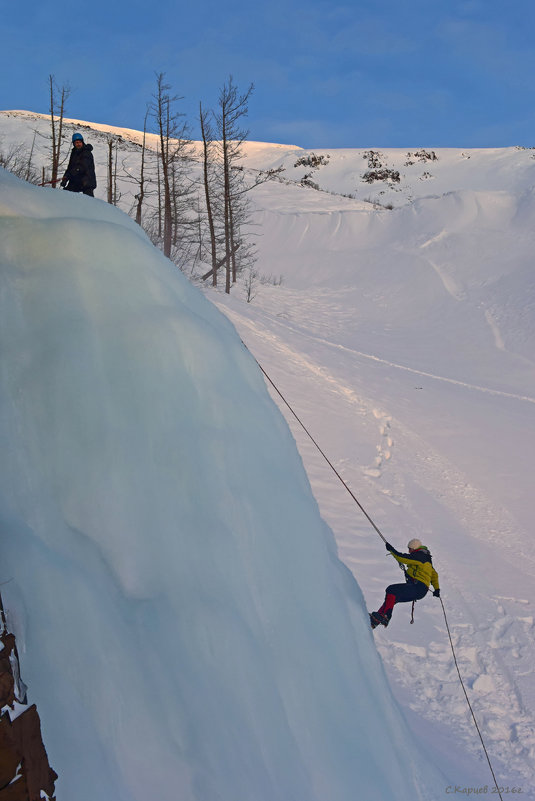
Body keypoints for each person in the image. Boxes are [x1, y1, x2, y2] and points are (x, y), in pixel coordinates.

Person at [370, 538, 440, 629]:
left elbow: (402, 558)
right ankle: (376, 620)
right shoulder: (426, 559)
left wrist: (391, 550)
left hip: (417, 587)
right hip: (420, 589)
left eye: (410, 549)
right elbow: (434, 575)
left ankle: (385, 617)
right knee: (392, 598)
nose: (409, 551)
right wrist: (437, 589)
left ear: (414, 548)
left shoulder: (419, 556)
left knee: (391, 590)